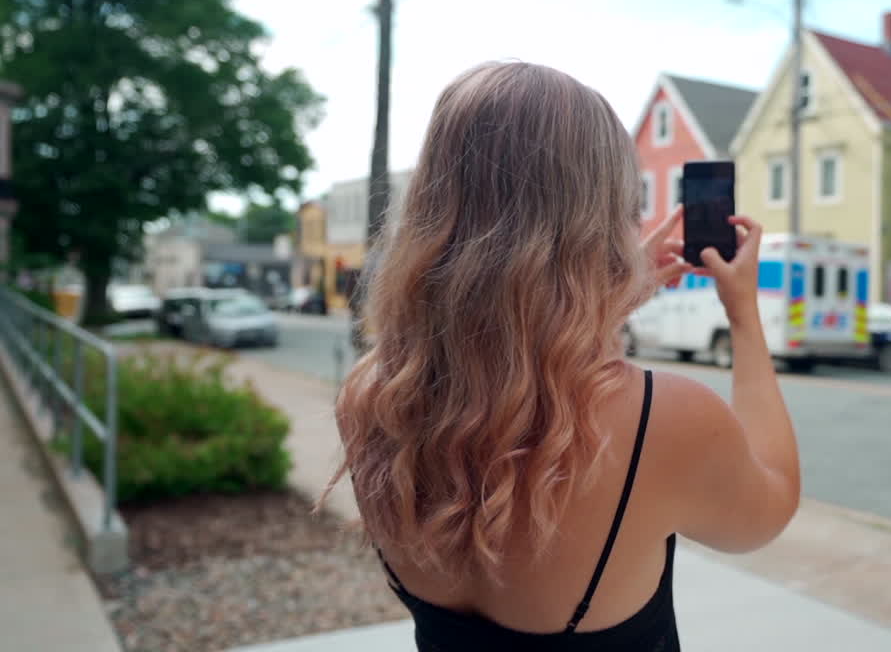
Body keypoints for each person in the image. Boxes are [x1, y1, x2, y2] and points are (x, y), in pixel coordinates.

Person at [325, 62, 799, 651]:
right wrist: (744, 317)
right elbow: (770, 505)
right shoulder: (661, 419)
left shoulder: (371, 396)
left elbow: (510, 359)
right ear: (600, 229)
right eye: (628, 211)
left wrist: (612, 295)